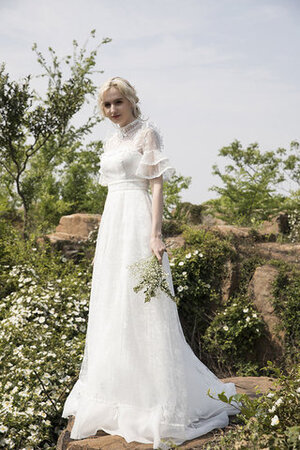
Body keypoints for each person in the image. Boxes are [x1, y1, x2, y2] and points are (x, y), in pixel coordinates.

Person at [61, 77, 238, 449]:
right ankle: (118, 395)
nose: (112, 110)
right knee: (113, 304)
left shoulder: (147, 133)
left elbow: (157, 184)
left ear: (131, 101)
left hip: (138, 219)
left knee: (144, 305)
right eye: (106, 105)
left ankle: (154, 399)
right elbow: (112, 189)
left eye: (117, 102)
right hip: (113, 224)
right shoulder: (111, 140)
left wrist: (155, 234)